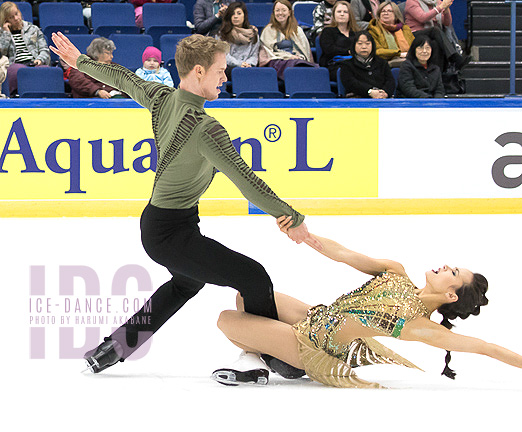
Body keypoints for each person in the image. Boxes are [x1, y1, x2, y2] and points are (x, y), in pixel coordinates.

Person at [50, 32, 320, 379]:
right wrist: (292, 217)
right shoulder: (206, 129)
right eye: (220, 71)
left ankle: (112, 348)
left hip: (162, 225)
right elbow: (247, 183)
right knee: (253, 277)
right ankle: (265, 356)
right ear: (198, 72)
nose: (225, 77)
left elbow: (123, 78)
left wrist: (80, 62)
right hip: (170, 233)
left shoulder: (161, 97)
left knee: (185, 283)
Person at [213, 215, 522, 391]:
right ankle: (266, 359)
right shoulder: (396, 272)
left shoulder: (419, 326)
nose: (446, 265)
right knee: (247, 295)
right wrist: (302, 234)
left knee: (226, 319)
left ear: (451, 295)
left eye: (454, 272)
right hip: (316, 316)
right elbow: (344, 255)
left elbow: (484, 347)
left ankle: (269, 360)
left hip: (314, 346)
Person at [0, 1, 50, 97]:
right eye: (11, 17)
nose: (16, 18)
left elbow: (44, 49)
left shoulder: (33, 29)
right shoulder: (2, 34)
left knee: (46, 70)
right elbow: (2, 54)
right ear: (6, 20)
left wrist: (40, 59)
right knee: (19, 70)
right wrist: (6, 33)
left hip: (34, 63)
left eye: (16, 14)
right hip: (14, 65)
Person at [404, 0, 470, 72]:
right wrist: (440, 7)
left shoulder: (437, 2)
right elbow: (422, 18)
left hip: (434, 36)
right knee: (436, 30)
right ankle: (455, 58)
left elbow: (447, 23)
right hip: (415, 34)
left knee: (436, 44)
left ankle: (438, 75)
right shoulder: (411, 2)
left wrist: (446, 10)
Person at [259, 0, 316, 80]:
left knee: (312, 67)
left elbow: (305, 51)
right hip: (277, 60)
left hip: (297, 60)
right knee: (294, 66)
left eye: (283, 10)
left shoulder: (297, 30)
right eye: (277, 10)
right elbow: (268, 53)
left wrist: (299, 57)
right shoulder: (268, 30)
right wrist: (289, 57)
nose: (280, 13)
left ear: (289, 12)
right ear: (273, 13)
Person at [339, 30, 394, 98]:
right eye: (360, 43)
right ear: (354, 45)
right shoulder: (347, 65)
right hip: (357, 100)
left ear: (372, 45)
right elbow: (351, 83)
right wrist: (370, 91)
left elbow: (390, 81)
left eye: (367, 43)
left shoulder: (382, 63)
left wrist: (385, 93)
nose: (364, 47)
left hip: (382, 98)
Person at [217, 1, 259, 80]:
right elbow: (224, 55)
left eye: (239, 13)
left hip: (248, 67)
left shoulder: (253, 33)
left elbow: (254, 55)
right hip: (229, 67)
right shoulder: (222, 34)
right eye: (232, 14)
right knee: (236, 72)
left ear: (244, 15)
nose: (235, 16)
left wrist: (248, 64)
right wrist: (240, 64)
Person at [319, 1, 359, 81]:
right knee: (349, 70)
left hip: (355, 63)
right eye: (339, 11)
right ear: (334, 15)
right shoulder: (327, 31)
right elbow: (329, 50)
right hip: (334, 65)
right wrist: (348, 51)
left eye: (345, 12)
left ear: (350, 15)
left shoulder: (356, 33)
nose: (342, 14)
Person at [368, 1, 414, 67]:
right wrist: (399, 54)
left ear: (396, 14)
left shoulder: (405, 28)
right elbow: (377, 51)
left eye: (389, 11)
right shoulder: (374, 30)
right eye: (383, 11)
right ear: (379, 14)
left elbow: (413, 46)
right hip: (385, 64)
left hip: (408, 62)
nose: (385, 13)